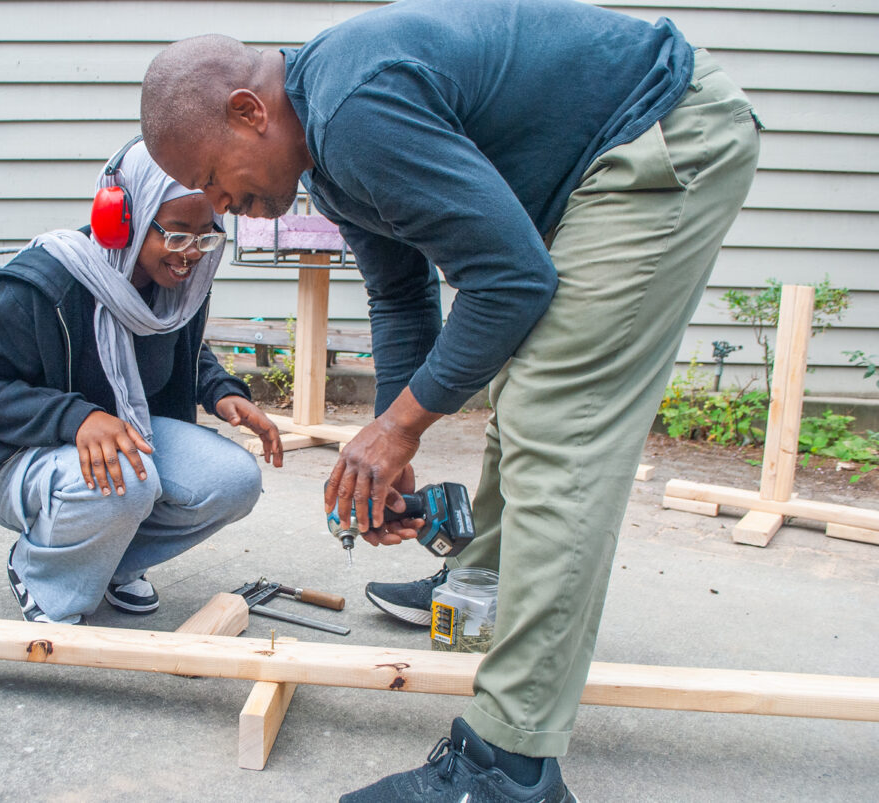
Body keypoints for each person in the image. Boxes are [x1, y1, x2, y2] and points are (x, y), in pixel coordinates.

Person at [139, 0, 760, 799]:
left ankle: (510, 769)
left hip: (664, 124)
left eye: (211, 179)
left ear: (248, 112)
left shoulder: (355, 109)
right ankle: (485, 590)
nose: (221, 206)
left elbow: (512, 278)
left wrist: (397, 426)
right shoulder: (327, 157)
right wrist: (399, 449)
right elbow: (402, 299)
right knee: (523, 386)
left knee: (556, 419)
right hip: (609, 147)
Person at [0, 138, 283, 626]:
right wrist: (78, 417)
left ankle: (112, 564)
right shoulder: (46, 281)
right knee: (125, 481)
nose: (190, 254)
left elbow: (178, 347)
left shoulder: (174, 289)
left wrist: (221, 390)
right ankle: (43, 575)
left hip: (123, 439)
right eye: (175, 235)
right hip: (23, 455)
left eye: (206, 236)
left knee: (233, 480)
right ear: (122, 219)